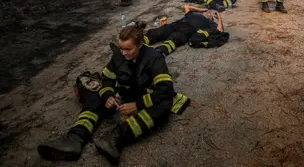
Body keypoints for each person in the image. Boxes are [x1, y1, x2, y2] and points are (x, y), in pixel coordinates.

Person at [37, 22, 190, 164]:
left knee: (164, 105)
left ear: (140, 45)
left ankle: (116, 138)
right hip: (127, 92)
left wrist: (136, 106)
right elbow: (107, 79)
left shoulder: (154, 58)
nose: (123, 53)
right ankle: (75, 138)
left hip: (146, 95)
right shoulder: (118, 56)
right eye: (121, 48)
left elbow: (165, 89)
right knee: (95, 95)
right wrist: (107, 96)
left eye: (128, 49)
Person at [145, 5, 227, 55]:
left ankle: (158, 52)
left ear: (213, 17)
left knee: (173, 40)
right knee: (159, 32)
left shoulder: (210, 23)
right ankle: (141, 42)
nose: (210, 12)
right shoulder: (194, 13)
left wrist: (219, 17)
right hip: (176, 24)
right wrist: (201, 10)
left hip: (187, 31)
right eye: (210, 11)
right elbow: (186, 6)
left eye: (213, 13)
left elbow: (220, 30)